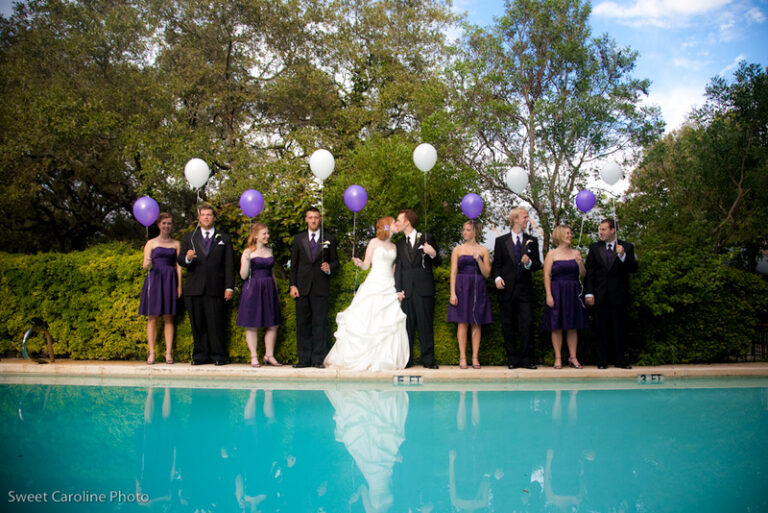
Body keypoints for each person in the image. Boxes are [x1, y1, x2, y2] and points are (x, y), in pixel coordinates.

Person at [324, 217, 409, 371]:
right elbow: (366, 265)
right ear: (387, 226)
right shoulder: (374, 243)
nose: (397, 224)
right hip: (374, 284)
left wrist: (396, 289)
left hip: (388, 285)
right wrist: (359, 263)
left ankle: (384, 359)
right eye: (394, 222)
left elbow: (393, 269)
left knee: (387, 320)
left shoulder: (395, 247)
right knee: (368, 318)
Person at [178, 203, 235, 365]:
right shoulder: (189, 238)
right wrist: (188, 258)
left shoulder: (224, 238)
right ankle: (200, 356)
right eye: (203, 214)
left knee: (216, 323)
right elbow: (180, 260)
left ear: (214, 218)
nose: (206, 217)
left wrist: (229, 287)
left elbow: (229, 264)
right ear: (199, 217)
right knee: (198, 324)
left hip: (216, 288)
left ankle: (218, 356)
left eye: (209, 214)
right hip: (194, 288)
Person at [491, 207, 542, 369]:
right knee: (508, 324)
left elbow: (538, 265)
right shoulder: (501, 241)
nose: (528, 219)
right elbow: (496, 265)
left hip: (525, 290)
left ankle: (526, 359)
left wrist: (529, 263)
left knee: (526, 323)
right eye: (525, 217)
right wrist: (497, 278)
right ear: (515, 219)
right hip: (506, 291)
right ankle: (512, 359)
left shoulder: (532, 240)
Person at [289, 207, 340, 368]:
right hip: (302, 288)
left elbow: (336, 262)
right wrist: (292, 285)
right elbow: (294, 265)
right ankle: (304, 360)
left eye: (316, 217)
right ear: (306, 219)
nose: (313, 220)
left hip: (320, 287)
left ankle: (318, 359)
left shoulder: (329, 239)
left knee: (320, 324)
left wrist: (329, 267)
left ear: (320, 219)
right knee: (303, 325)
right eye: (310, 217)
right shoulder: (298, 239)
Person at [584, 218, 638, 369]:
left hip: (618, 295)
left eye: (604, 229)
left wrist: (622, 256)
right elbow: (590, 273)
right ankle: (602, 361)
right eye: (600, 229)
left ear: (613, 230)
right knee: (600, 330)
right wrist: (589, 293)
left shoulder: (627, 247)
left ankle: (620, 360)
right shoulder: (594, 248)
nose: (601, 232)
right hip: (600, 296)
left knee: (619, 329)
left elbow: (633, 268)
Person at [394, 209, 442, 369]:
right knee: (407, 327)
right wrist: (398, 290)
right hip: (406, 291)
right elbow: (399, 268)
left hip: (424, 289)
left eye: (399, 220)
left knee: (425, 326)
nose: (397, 223)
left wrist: (433, 253)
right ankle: (407, 360)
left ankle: (428, 360)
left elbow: (438, 262)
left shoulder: (427, 238)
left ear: (407, 221)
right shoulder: (399, 244)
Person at [541, 225, 588, 369]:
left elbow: (583, 275)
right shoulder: (552, 254)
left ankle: (573, 357)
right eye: (567, 233)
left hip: (573, 292)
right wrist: (549, 295)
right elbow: (547, 275)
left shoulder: (576, 253)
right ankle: (558, 358)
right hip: (557, 291)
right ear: (560, 235)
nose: (570, 235)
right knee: (556, 326)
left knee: (572, 326)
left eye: (571, 233)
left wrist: (580, 262)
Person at [447, 220, 492, 369]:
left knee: (476, 322)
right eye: (463, 230)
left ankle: (475, 357)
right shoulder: (457, 250)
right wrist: (452, 292)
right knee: (462, 322)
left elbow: (486, 273)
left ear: (474, 232)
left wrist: (478, 259)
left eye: (467, 230)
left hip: (477, 287)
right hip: (461, 287)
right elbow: (453, 272)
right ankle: (462, 357)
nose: (464, 232)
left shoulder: (484, 250)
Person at [139, 213, 182, 365]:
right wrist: (147, 262)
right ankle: (152, 352)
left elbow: (178, 266)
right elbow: (144, 266)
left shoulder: (176, 244)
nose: (166, 226)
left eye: (169, 223)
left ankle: (168, 353)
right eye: (164, 223)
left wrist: (179, 286)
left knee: (168, 317)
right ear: (158, 225)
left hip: (170, 280)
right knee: (152, 317)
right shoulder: (150, 243)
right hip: (155, 280)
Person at [237, 223, 282, 368]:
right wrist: (247, 260)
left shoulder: (270, 251)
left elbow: (272, 273)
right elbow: (243, 276)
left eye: (267, 233)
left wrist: (276, 291)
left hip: (268, 288)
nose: (267, 236)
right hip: (253, 288)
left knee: (273, 323)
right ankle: (254, 356)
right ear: (256, 236)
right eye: (264, 233)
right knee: (252, 324)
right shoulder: (248, 252)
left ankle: (269, 355)